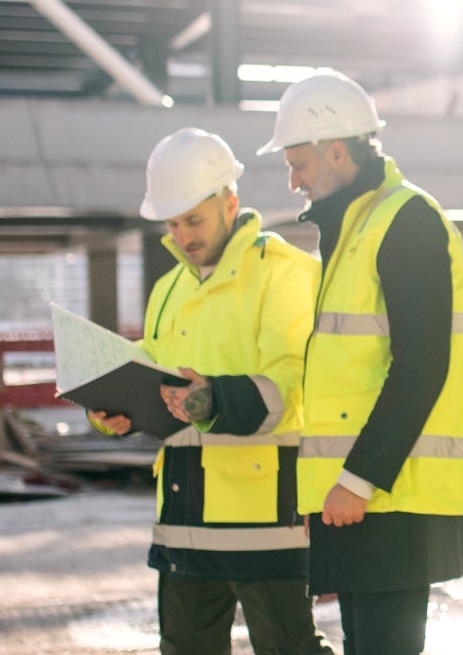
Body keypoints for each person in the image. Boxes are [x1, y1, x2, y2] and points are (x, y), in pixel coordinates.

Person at [257, 72, 463, 655]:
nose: (292, 180)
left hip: (388, 492)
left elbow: (422, 364)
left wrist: (357, 479)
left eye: (298, 164)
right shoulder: (355, 228)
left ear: (337, 152)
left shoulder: (405, 220)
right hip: (361, 494)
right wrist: (324, 490)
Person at [91, 127, 328, 655]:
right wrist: (116, 409)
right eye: (173, 224)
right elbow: (154, 376)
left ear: (230, 203)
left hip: (262, 516)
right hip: (183, 515)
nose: (183, 236)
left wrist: (214, 400)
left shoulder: (284, 274)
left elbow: (297, 386)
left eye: (193, 220)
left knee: (289, 650)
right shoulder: (168, 288)